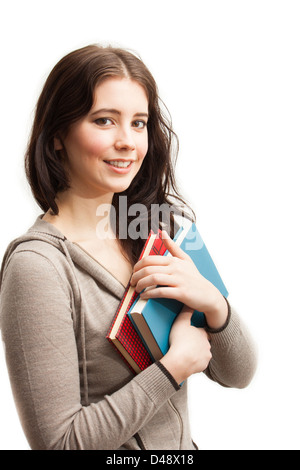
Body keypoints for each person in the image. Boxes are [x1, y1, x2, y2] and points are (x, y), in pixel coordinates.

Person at [0, 45, 257, 450]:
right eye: (104, 121)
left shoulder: (158, 229)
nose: (127, 142)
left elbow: (239, 373)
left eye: (139, 123)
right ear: (56, 138)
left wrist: (215, 304)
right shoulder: (39, 267)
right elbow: (58, 444)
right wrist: (171, 370)